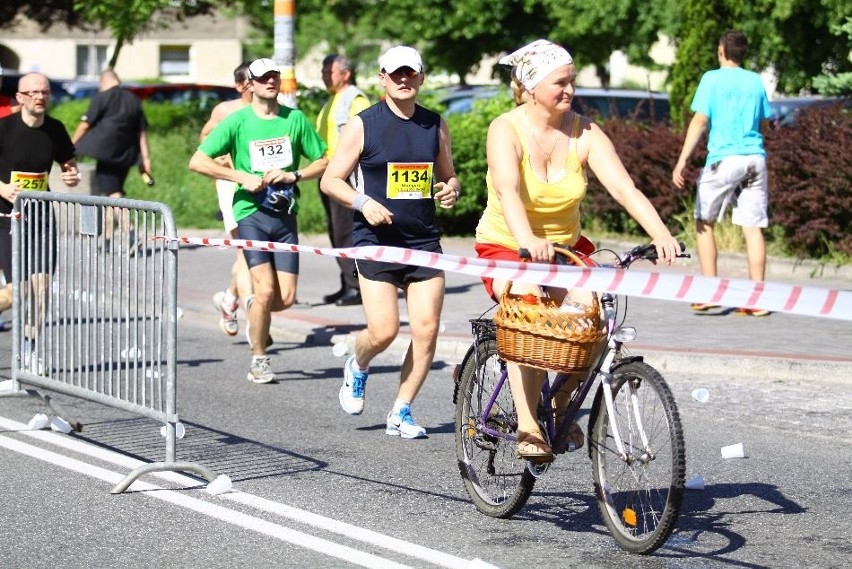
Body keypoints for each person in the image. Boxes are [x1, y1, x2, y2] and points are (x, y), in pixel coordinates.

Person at [475, 40, 681, 463]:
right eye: (560, 83)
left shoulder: (583, 131)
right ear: (531, 87)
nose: (570, 90)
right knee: (527, 308)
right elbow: (509, 192)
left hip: (566, 249)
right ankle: (529, 427)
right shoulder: (505, 129)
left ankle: (561, 398)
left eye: (573, 81)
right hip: (507, 243)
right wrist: (527, 241)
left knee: (594, 315)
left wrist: (662, 233)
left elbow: (626, 190)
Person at [321, 46, 461, 439]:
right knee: (382, 331)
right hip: (376, 241)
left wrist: (450, 189)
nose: (403, 80)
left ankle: (401, 410)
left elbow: (450, 175)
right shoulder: (363, 125)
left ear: (421, 77)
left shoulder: (435, 124)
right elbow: (330, 180)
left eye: (410, 74)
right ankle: (358, 365)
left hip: (422, 240)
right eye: (395, 74)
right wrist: (363, 203)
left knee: (427, 330)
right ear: (382, 78)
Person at [189, 58, 328, 384]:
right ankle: (259, 360)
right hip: (250, 213)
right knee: (266, 290)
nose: (270, 81)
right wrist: (239, 176)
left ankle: (253, 306)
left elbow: (323, 160)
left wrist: (294, 174)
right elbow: (198, 160)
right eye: (263, 77)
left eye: (274, 76)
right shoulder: (237, 121)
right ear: (249, 84)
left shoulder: (294, 120)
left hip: (285, 214)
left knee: (286, 298)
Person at [672, 31, 771, 317]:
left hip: (723, 160)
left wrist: (681, 162)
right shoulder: (755, 81)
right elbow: (763, 124)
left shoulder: (711, 79)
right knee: (752, 228)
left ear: (721, 51)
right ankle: (758, 299)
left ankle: (710, 293)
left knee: (704, 222)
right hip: (755, 159)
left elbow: (700, 120)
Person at [0, 72, 79, 364]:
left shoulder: (55, 129)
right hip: (7, 219)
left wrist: (72, 175)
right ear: (20, 97)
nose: (40, 97)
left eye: (44, 92)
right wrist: (5, 188)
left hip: (42, 218)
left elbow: (68, 163)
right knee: (17, 291)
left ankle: (29, 348)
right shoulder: (4, 129)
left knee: (42, 285)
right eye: (33, 92)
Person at [199, 62, 256, 337]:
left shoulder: (271, 110)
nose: (255, 86)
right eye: (250, 82)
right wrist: (223, 160)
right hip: (231, 184)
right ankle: (253, 320)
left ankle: (229, 300)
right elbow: (205, 142)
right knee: (245, 249)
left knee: (250, 250)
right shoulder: (225, 111)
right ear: (239, 85)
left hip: (261, 186)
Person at [71, 69, 152, 249]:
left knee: (113, 194)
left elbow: (85, 124)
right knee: (112, 192)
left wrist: (70, 145)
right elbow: (142, 133)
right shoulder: (134, 101)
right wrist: (145, 159)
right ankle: (107, 240)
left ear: (103, 82)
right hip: (127, 154)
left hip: (105, 153)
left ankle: (130, 232)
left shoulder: (102, 97)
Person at [316, 54, 371, 306]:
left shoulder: (355, 99)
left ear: (345, 73)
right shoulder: (331, 100)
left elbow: (363, 136)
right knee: (335, 233)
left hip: (345, 177)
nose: (324, 76)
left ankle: (357, 288)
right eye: (323, 72)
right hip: (329, 174)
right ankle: (346, 281)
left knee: (346, 233)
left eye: (330, 72)